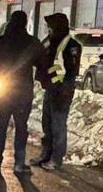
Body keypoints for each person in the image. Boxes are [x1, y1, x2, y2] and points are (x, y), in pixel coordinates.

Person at [0, 11, 45, 174]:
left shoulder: (1, 42)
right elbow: (42, 62)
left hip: (4, 88)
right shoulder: (31, 42)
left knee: (1, 124)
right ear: (25, 23)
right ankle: (19, 163)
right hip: (23, 89)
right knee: (21, 126)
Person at [31, 12, 82, 170]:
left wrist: (64, 89)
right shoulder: (51, 42)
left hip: (62, 90)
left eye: (50, 27)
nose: (48, 30)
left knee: (58, 126)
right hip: (50, 88)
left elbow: (71, 71)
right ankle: (46, 154)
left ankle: (56, 158)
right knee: (47, 124)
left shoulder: (71, 45)